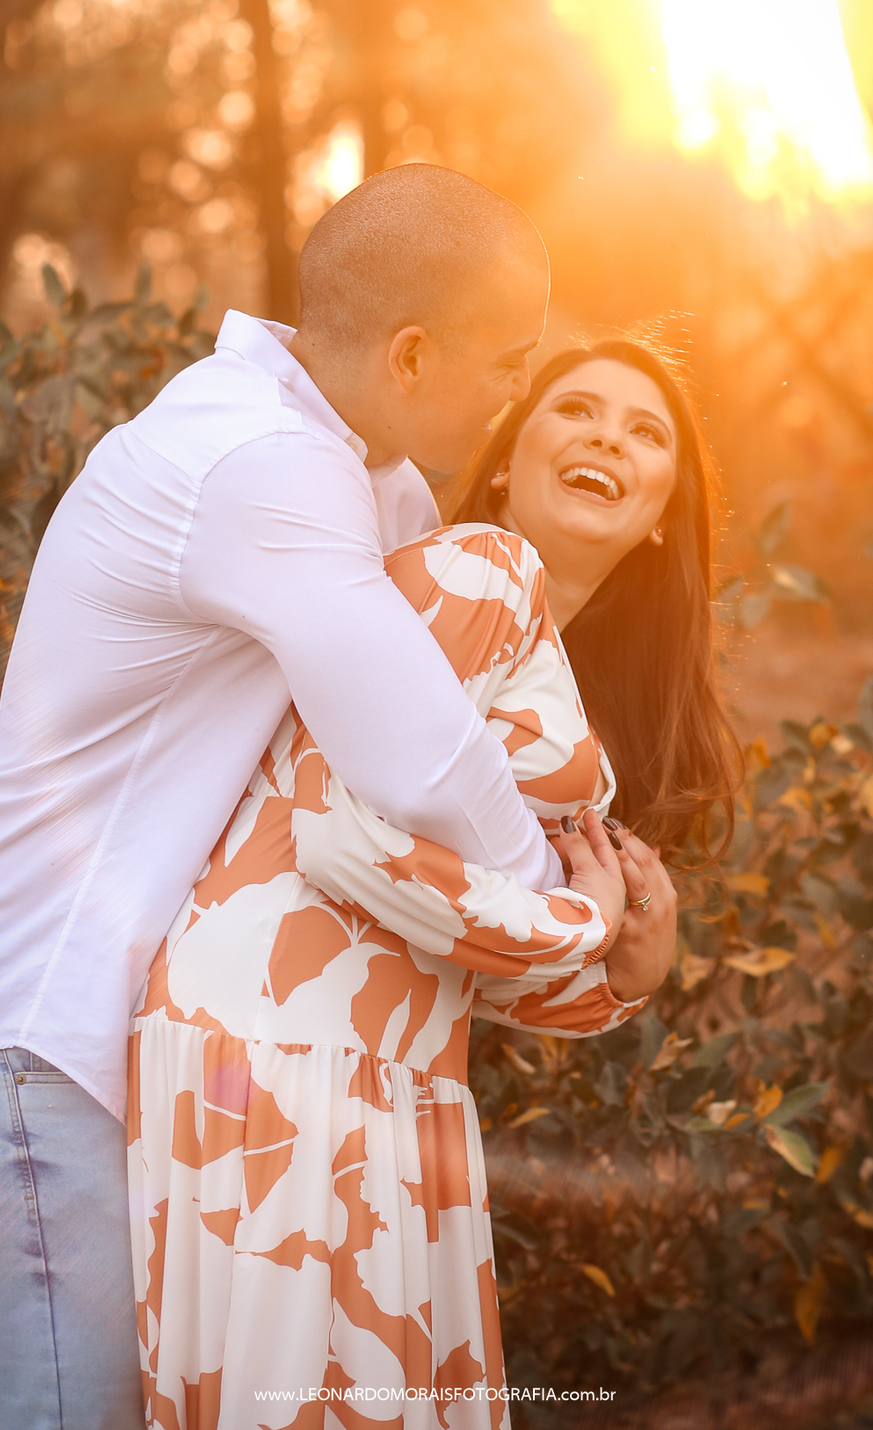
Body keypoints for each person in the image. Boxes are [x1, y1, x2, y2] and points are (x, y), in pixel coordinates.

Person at [0, 165, 577, 1430]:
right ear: (414, 354)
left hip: (136, 1045)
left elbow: (476, 655)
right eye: (509, 362)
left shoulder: (365, 471)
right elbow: (418, 757)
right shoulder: (258, 461)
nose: (517, 394)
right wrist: (565, 922)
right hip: (35, 1032)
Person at [128, 336, 741, 1427]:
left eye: (646, 432)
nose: (608, 435)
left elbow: (457, 936)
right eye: (577, 409)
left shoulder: (567, 679)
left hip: (390, 1077)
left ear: (662, 514)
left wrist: (625, 976)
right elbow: (342, 837)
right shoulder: (477, 573)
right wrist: (574, 924)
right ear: (508, 458)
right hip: (277, 1049)